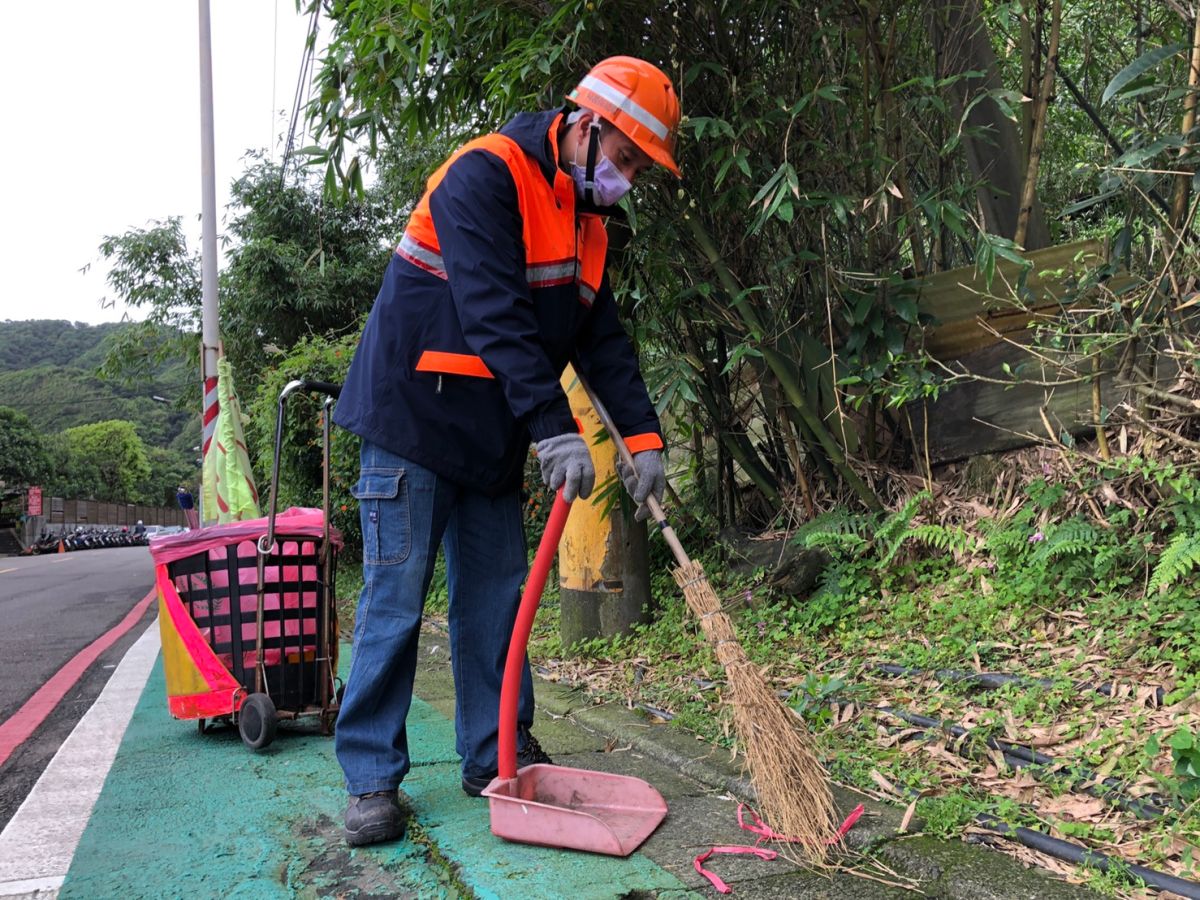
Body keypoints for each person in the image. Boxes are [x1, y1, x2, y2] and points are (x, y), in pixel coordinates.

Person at [331, 56, 679, 847]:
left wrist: (646, 438)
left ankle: (494, 755)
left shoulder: (589, 224)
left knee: (496, 607)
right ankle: (372, 778)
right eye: (624, 159)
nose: (626, 178)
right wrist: (556, 428)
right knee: (394, 603)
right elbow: (492, 312)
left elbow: (603, 343)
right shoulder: (484, 175)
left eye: (637, 169)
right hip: (411, 422)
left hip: (489, 438)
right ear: (587, 126)